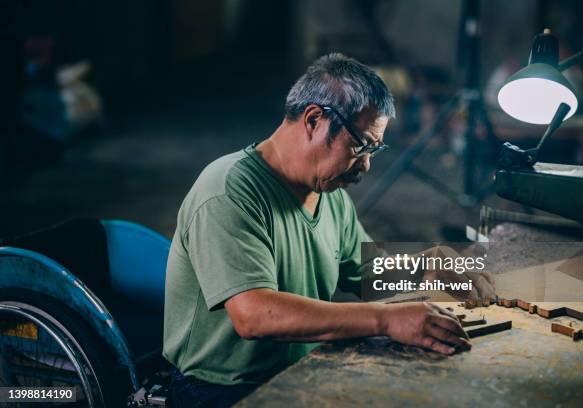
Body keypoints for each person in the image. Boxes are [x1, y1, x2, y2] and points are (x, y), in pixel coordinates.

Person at [163, 53, 473, 408]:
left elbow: (366, 273)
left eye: (376, 149)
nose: (367, 164)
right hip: (221, 389)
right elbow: (254, 315)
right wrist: (385, 319)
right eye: (361, 145)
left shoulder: (329, 192)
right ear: (314, 120)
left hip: (302, 369)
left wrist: (424, 268)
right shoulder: (229, 191)